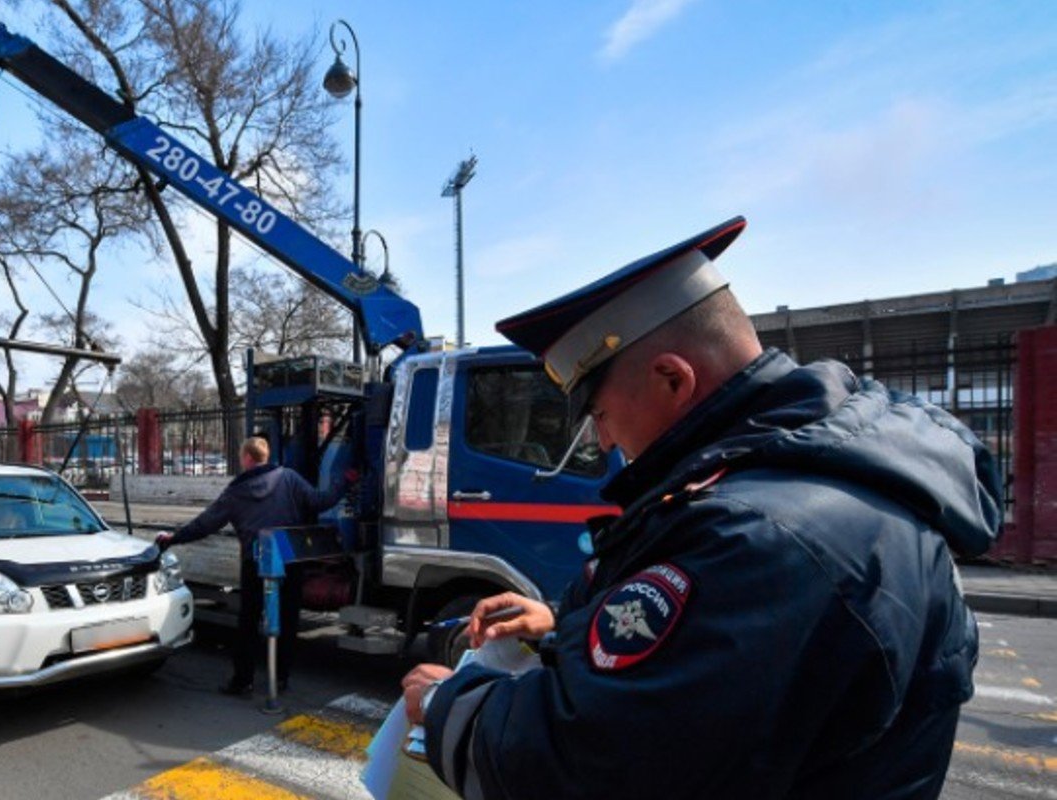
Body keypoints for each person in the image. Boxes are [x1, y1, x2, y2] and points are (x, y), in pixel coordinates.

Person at [401, 216, 1000, 799]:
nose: (605, 442)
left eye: (601, 414)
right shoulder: (827, 483)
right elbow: (731, 681)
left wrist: (445, 704)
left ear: (671, 379)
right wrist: (570, 630)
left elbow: (590, 763)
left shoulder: (758, 536)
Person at [158, 436, 356, 696]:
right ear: (265, 456)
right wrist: (345, 481)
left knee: (249, 622)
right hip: (288, 559)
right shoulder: (289, 478)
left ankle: (243, 681)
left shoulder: (236, 491)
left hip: (256, 563)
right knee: (287, 621)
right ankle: (280, 679)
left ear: (247, 459)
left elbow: (205, 524)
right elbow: (321, 501)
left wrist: (174, 538)